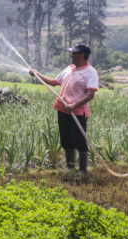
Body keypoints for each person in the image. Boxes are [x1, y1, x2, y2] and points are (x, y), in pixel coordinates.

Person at [29, 42, 99, 175]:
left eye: (75, 53)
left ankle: (82, 170)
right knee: (66, 139)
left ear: (83, 56)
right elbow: (54, 82)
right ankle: (70, 167)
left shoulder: (90, 72)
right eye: (72, 53)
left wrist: (74, 105)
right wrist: (37, 74)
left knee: (79, 140)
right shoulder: (69, 68)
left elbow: (90, 95)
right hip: (63, 109)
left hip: (77, 112)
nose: (72, 55)